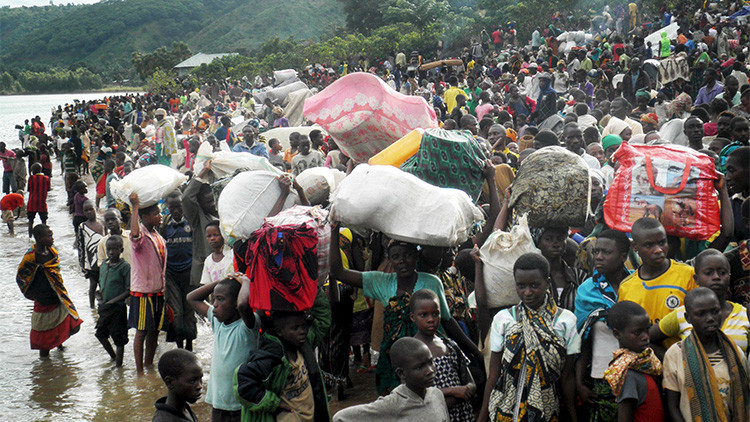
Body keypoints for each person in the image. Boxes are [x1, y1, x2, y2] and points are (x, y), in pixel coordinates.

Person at [329, 223, 481, 395]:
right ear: (390, 260)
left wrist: (476, 352)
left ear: (416, 257)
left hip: (430, 359)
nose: (402, 261)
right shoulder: (381, 282)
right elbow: (337, 271)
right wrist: (334, 229)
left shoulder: (432, 282)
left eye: (407, 255)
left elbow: (447, 321)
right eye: (395, 256)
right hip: (396, 362)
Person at [478, 252, 580, 422]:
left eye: (534, 285)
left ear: (548, 283)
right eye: (521, 286)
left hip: (550, 409)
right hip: (507, 409)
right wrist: (482, 417)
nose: (527, 292)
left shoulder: (566, 321)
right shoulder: (504, 319)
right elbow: (495, 374)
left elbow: (567, 376)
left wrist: (573, 415)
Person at [234, 288, 331, 421]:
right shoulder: (272, 355)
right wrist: (274, 403)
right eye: (295, 328)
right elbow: (243, 382)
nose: (302, 331)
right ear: (280, 332)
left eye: (303, 326)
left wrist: (312, 287)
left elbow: (323, 318)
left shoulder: (304, 344)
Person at [662, 288, 750, 422]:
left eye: (715, 312)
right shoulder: (676, 354)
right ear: (688, 318)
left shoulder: (735, 353)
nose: (710, 318)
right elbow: (672, 406)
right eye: (701, 314)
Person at [574, 229, 633, 421]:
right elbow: (582, 339)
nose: (598, 257)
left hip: (637, 373)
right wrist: (580, 382)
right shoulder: (587, 290)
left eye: (606, 252)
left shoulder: (637, 283)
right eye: (596, 251)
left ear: (624, 256)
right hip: (601, 378)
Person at [187, 274, 259, 422]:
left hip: (241, 404)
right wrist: (221, 281)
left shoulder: (247, 328)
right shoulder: (218, 323)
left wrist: (246, 281)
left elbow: (243, 305)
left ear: (235, 302)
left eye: (220, 299)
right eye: (213, 299)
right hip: (218, 403)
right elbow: (191, 298)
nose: (214, 304)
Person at [617, 218, 697, 349]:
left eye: (662, 242)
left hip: (684, 360)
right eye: (649, 245)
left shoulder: (688, 275)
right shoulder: (627, 287)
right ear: (635, 247)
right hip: (645, 363)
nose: (658, 250)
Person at [651, 249, 750, 353]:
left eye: (722, 272)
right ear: (696, 279)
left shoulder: (744, 315)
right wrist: (672, 360)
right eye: (708, 273)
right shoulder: (683, 313)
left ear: (729, 277)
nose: (716, 277)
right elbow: (647, 339)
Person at [333, 337, 450, 422]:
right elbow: (340, 417)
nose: (430, 370)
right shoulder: (393, 404)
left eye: (431, 362)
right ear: (402, 373)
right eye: (420, 367)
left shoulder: (436, 395)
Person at [16, 224, 83, 357]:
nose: (52, 238)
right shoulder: (31, 256)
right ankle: (45, 367)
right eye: (49, 236)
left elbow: (56, 274)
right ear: (39, 238)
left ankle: (59, 345)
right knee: (43, 339)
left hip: (57, 295)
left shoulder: (52, 252)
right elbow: (21, 277)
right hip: (42, 299)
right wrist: (32, 295)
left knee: (73, 324)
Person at [410, 289, 475, 422]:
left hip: (462, 416)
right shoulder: (411, 352)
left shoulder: (450, 345)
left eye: (435, 314)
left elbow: (470, 382)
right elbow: (413, 395)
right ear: (413, 317)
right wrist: (452, 391)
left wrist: (467, 389)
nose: (431, 320)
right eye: (423, 315)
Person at [603, 301, 664, 422]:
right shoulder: (627, 373)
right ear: (617, 333)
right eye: (637, 332)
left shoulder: (647, 362)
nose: (646, 336)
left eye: (647, 330)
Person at [128, 193, 167, 373]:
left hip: (158, 290)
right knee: (142, 331)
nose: (159, 216)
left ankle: (149, 364)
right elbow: (134, 233)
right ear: (144, 217)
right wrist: (135, 207)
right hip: (143, 291)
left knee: (154, 331)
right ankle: (139, 372)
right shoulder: (141, 235)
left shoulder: (157, 235)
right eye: (155, 214)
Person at [161, 191, 197, 350]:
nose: (176, 210)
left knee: (190, 310)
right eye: (172, 207)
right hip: (171, 274)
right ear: (167, 207)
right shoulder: (164, 225)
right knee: (176, 312)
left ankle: (189, 345)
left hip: (189, 272)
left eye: (179, 207)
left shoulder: (191, 223)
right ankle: (180, 346)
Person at [95, 236, 130, 367]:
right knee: (100, 334)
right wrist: (99, 294)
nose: (111, 252)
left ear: (121, 250)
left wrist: (114, 301)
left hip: (118, 308)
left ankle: (119, 367)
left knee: (119, 339)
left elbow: (129, 290)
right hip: (104, 307)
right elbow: (102, 281)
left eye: (114, 249)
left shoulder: (124, 267)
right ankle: (114, 357)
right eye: (109, 249)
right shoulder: (104, 265)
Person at [152, 349, 202, 422]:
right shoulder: (164, 419)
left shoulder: (183, 409)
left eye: (200, 378)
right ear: (170, 382)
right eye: (192, 381)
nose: (199, 386)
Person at [77, 199, 104, 308]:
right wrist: (83, 266)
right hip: (91, 262)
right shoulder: (82, 227)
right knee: (93, 285)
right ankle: (92, 307)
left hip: (103, 260)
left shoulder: (102, 224)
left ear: (95, 209)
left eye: (91, 209)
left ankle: (103, 305)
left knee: (103, 284)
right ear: (83, 213)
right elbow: (81, 247)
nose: (89, 212)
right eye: (86, 210)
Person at [200, 221, 234, 286]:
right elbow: (206, 284)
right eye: (209, 236)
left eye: (216, 235)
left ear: (223, 234)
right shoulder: (208, 260)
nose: (212, 238)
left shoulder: (232, 255)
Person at [26, 162, 50, 238]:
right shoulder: (46, 178)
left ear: (33, 171)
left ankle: (30, 237)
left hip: (32, 203)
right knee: (44, 221)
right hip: (42, 203)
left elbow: (29, 189)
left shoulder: (31, 178)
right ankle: (46, 236)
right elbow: (48, 189)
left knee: (30, 221)